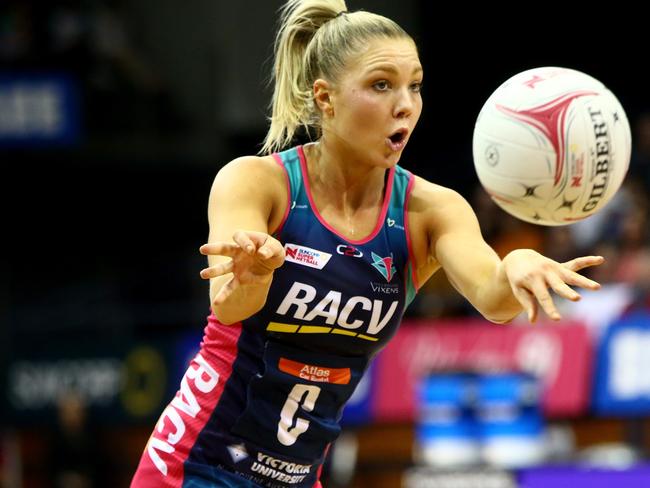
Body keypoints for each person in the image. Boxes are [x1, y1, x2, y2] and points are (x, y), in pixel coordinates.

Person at [131, 1, 603, 486]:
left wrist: (518, 261)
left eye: (414, 85)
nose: (405, 104)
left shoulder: (431, 210)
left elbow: (494, 298)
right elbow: (228, 306)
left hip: (297, 477)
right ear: (326, 98)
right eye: (382, 85)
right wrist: (254, 275)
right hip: (196, 463)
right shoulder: (257, 183)